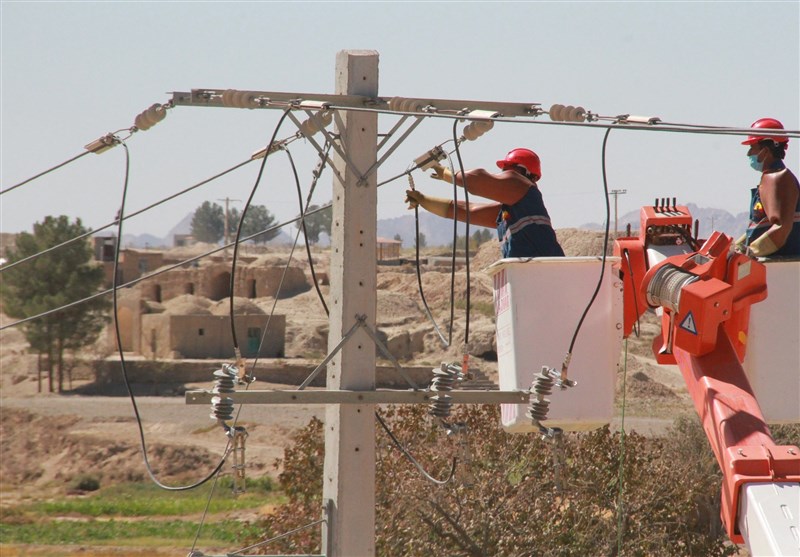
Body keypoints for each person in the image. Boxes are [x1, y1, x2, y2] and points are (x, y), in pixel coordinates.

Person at [405, 148, 564, 258]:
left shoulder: (524, 188)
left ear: (528, 176)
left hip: (545, 276)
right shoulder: (513, 212)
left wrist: (447, 174)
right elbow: (466, 210)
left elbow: (478, 180)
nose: (504, 175)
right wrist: (423, 199)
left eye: (508, 171)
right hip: (532, 279)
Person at [736, 118, 800, 258]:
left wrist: (749, 253)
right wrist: (737, 247)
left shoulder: (778, 178)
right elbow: (758, 225)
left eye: (752, 148)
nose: (749, 153)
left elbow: (781, 228)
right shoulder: (770, 178)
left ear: (765, 151)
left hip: (779, 270)